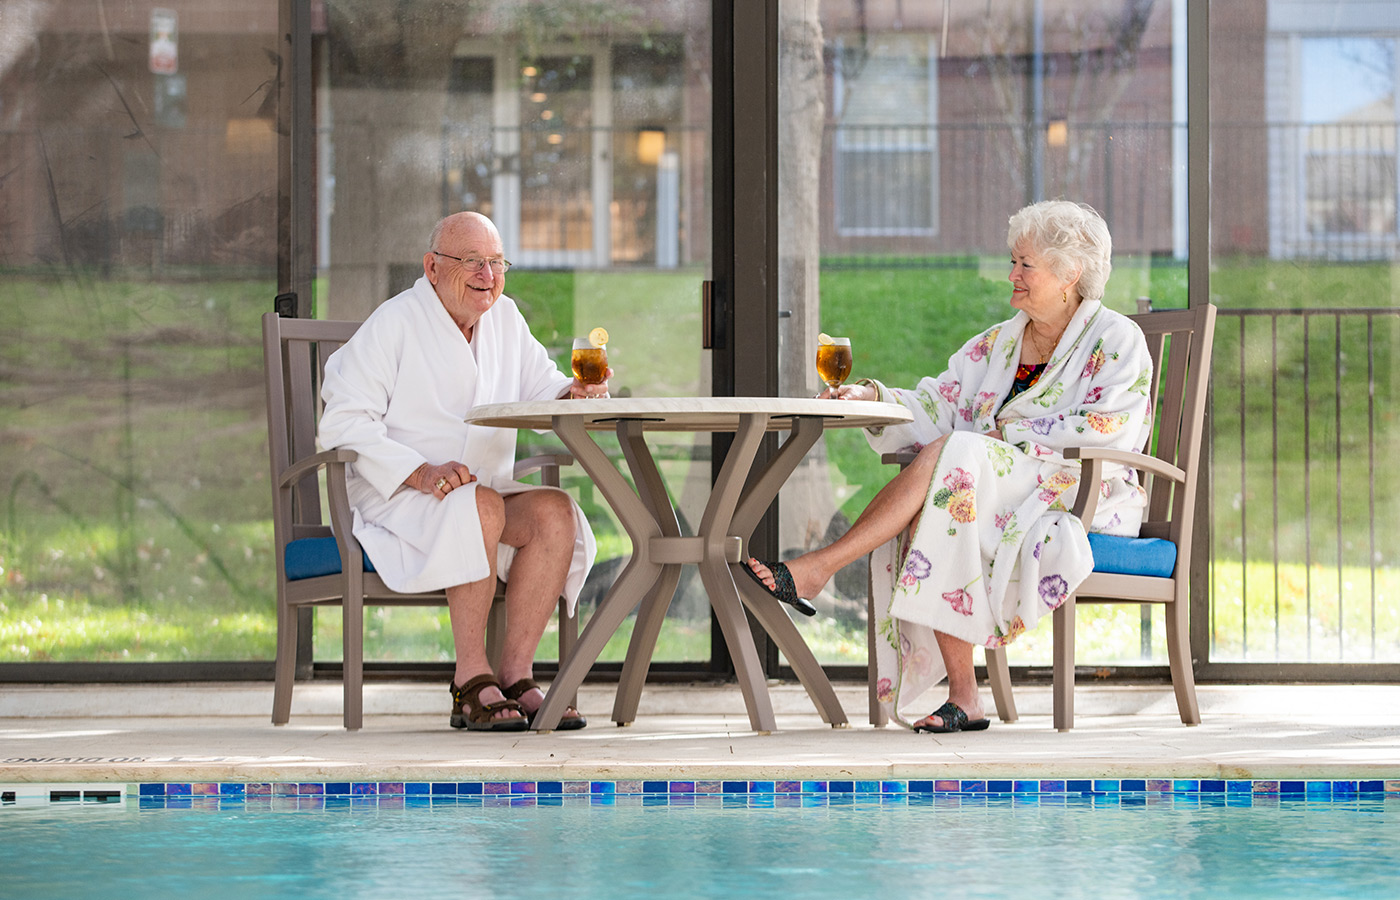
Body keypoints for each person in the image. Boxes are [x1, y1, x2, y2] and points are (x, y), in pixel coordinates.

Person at [744, 200, 1152, 733]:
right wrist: (875, 397)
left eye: (1025, 264)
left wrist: (1002, 436)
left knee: (955, 458)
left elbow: (1109, 428)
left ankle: (821, 567)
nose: (1013, 275)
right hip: (987, 483)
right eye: (1014, 261)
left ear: (1069, 272)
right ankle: (965, 698)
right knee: (949, 482)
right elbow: (940, 403)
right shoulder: (999, 343)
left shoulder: (1117, 340)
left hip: (1075, 490)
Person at [318, 211, 608, 732]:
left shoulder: (506, 319)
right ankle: (471, 679)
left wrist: (573, 393)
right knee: (481, 505)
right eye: (472, 261)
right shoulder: (394, 322)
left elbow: (542, 387)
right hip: (401, 497)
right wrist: (419, 473)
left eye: (497, 263)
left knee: (554, 512)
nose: (488, 276)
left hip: (483, 491)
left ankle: (516, 676)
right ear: (432, 267)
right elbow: (342, 422)